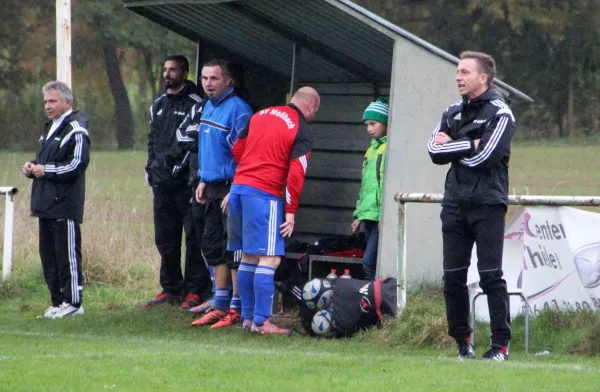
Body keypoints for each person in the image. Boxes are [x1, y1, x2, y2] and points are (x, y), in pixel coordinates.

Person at [427, 51, 516, 361]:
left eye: (465, 72)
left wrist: (454, 144)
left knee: (490, 275)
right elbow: (433, 151)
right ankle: (462, 343)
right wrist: (470, 141)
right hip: (454, 204)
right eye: (457, 71)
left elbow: (484, 157)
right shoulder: (452, 111)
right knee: (453, 278)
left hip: (488, 205)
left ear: (484, 78)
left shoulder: (501, 113)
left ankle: (500, 346)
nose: (458, 77)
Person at [228, 87, 321, 335]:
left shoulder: (259, 114)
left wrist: (247, 172)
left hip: (238, 190)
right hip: (263, 194)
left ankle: (247, 319)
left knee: (248, 256)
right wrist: (290, 211)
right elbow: (296, 173)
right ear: (311, 107)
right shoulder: (301, 129)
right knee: (270, 258)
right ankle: (262, 322)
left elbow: (237, 149)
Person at [144, 54, 210, 309]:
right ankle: (170, 289)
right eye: (164, 70)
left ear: (184, 73)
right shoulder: (158, 105)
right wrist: (151, 167)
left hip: (185, 184)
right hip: (161, 185)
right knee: (165, 238)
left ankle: (194, 290)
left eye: (172, 70)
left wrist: (176, 169)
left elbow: (190, 146)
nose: (167, 75)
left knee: (193, 238)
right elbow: (152, 140)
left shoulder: (196, 103)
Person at [191, 59, 253, 328]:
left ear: (228, 81)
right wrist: (204, 179)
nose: (208, 84)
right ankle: (219, 304)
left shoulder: (239, 110)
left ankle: (236, 307)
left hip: (232, 187)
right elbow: (209, 149)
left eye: (214, 79)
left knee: (233, 248)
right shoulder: (207, 106)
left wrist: (236, 189)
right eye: (204, 78)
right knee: (212, 244)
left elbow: (247, 155)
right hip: (213, 185)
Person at [23, 81, 90, 319]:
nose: (47, 106)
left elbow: (77, 164)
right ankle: (57, 302)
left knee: (67, 255)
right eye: (45, 102)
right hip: (45, 204)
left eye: (52, 101)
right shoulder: (50, 127)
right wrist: (32, 166)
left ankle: (73, 302)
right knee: (48, 256)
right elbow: (46, 159)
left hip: (65, 204)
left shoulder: (77, 128)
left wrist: (46, 170)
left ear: (67, 102)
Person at [351, 97, 388, 280]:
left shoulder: (388, 149)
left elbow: (385, 185)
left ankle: (374, 297)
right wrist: (358, 215)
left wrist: (384, 214)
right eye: (367, 125)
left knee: (369, 262)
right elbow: (365, 185)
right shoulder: (370, 151)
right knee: (369, 262)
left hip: (379, 216)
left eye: (373, 123)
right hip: (368, 216)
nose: (369, 129)